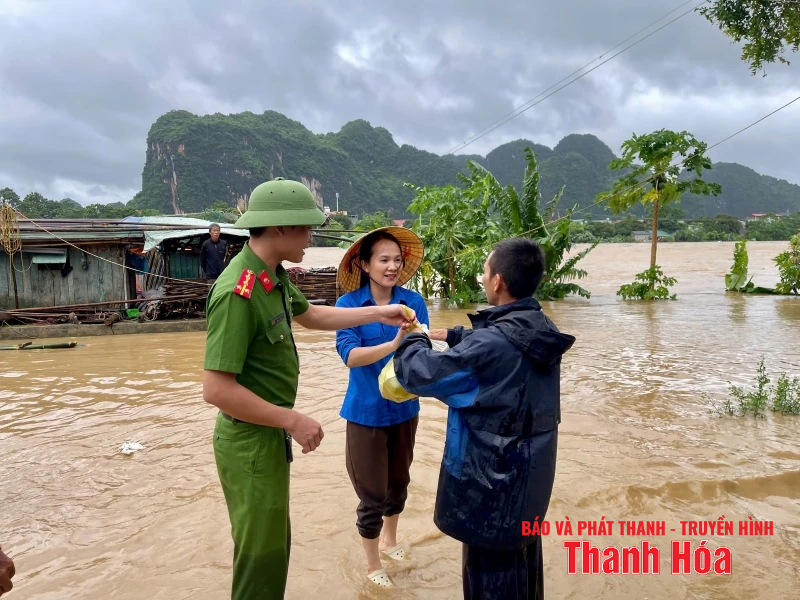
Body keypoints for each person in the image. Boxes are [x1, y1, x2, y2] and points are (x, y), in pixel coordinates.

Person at [202, 178, 418, 600]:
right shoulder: (237, 292)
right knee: (260, 555)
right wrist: (293, 419)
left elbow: (313, 315)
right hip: (249, 440)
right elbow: (215, 389)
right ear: (280, 228)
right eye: (305, 228)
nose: (310, 237)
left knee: (274, 547)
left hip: (266, 436)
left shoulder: (272, 277)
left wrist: (382, 311)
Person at [392, 238, 576, 600]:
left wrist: (412, 340)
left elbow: (420, 374)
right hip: (528, 485)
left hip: (489, 490)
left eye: (485, 271)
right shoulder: (540, 327)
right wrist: (447, 334)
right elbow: (496, 346)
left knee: (489, 583)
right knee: (524, 576)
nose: (481, 277)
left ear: (498, 283)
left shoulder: (491, 346)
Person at [334, 227, 428, 588]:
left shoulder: (412, 302)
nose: (392, 267)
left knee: (398, 482)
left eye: (396, 260)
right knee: (371, 494)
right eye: (383, 260)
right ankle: (373, 564)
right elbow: (351, 357)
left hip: (405, 409)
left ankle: (390, 542)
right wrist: (395, 342)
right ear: (365, 264)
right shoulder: (348, 306)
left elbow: (421, 351)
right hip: (365, 413)